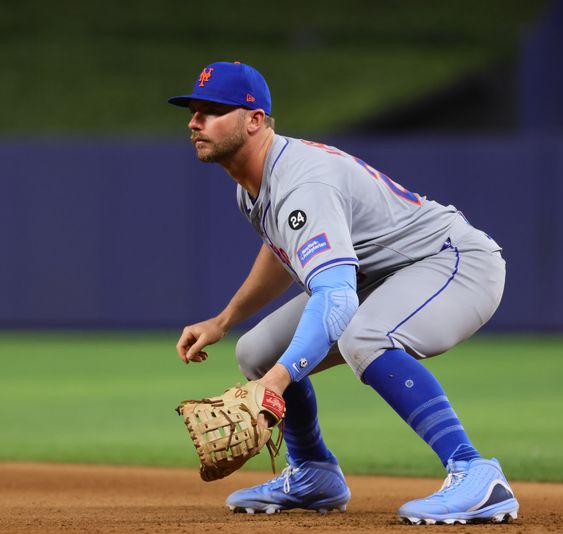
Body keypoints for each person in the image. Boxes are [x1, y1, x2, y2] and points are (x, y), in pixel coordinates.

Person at [169, 61, 519, 525]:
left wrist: (275, 385)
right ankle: (314, 472)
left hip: (452, 262)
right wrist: (224, 319)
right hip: (382, 273)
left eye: (212, 110)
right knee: (256, 350)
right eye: (193, 110)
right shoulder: (253, 185)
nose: (195, 121)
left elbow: (335, 298)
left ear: (255, 120)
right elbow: (282, 252)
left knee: (364, 338)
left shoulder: (301, 183)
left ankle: (475, 471)